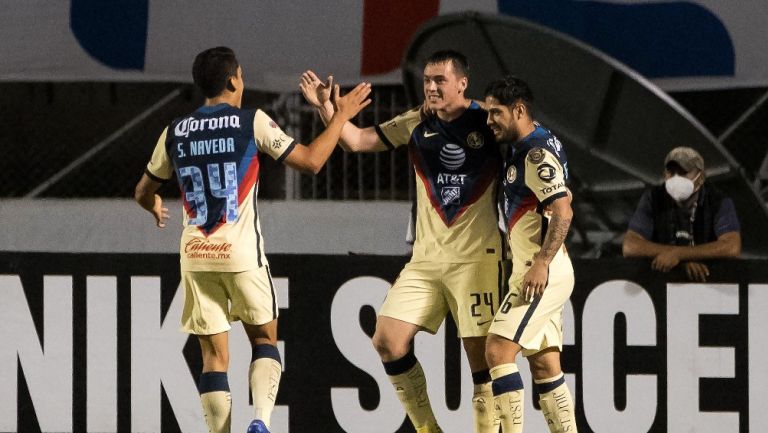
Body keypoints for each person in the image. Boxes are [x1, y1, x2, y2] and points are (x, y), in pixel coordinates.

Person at [134, 46, 371, 433]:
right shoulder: (252, 122)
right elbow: (312, 162)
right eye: (241, 75)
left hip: (195, 254)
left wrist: (153, 205)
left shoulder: (175, 131)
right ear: (232, 80)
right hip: (240, 254)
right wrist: (340, 115)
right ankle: (260, 421)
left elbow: (143, 190)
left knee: (214, 358)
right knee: (264, 339)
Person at [300, 50, 506, 433]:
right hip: (425, 262)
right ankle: (428, 429)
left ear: (462, 83)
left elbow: (529, 136)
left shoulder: (488, 121)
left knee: (482, 364)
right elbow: (358, 141)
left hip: (477, 260)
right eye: (427, 80)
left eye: (439, 81)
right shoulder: (416, 121)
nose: (431, 87)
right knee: (387, 340)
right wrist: (329, 109)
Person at [483, 76, 578, 433]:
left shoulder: (535, 152)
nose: (489, 120)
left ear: (519, 110)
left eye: (496, 113)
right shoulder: (531, 141)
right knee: (545, 367)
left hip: (540, 272)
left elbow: (564, 209)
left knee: (498, 351)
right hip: (542, 268)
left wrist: (541, 262)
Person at [622, 146, 741, 281]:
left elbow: (732, 246)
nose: (676, 178)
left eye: (684, 172)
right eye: (671, 172)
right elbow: (630, 246)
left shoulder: (718, 201)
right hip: (661, 282)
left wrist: (678, 254)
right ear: (664, 175)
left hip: (710, 282)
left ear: (700, 178)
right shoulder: (653, 198)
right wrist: (679, 258)